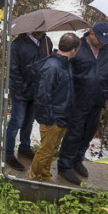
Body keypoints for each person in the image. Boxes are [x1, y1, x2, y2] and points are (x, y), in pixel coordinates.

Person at [57, 23, 108, 185]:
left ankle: (77, 159)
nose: (104, 43)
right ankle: (64, 165)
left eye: (107, 40)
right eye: (101, 39)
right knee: (74, 132)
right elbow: (65, 72)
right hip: (78, 99)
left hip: (97, 99)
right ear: (91, 34)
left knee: (89, 131)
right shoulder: (77, 48)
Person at [30, 33, 80, 182]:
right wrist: (49, 119)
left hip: (62, 116)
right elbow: (43, 96)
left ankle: (44, 175)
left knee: (51, 150)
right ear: (73, 49)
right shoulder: (52, 67)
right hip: (53, 118)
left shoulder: (65, 64)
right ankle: (34, 179)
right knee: (45, 151)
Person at [5, 31, 53, 171]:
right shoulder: (18, 44)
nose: (43, 30)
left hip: (37, 91)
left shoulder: (46, 41)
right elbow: (13, 70)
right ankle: (8, 153)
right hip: (21, 92)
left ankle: (24, 147)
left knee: (29, 121)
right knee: (16, 122)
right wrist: (24, 87)